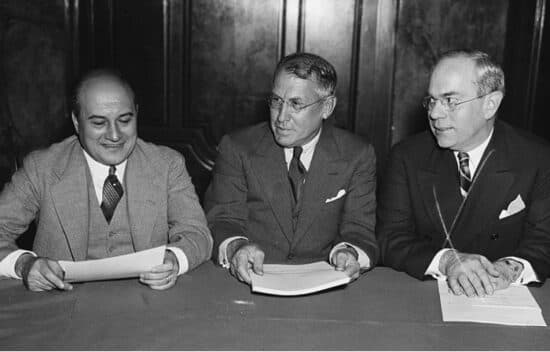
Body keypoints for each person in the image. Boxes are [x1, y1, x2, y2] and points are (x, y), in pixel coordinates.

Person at [0, 69, 212, 291]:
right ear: (76, 122)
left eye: (124, 120)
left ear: (136, 114)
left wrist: (173, 259)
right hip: (63, 307)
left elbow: (197, 233)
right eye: (99, 123)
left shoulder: (167, 165)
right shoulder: (41, 168)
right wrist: (24, 265)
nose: (114, 135)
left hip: (149, 304)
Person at [377, 50, 550, 297]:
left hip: (504, 299)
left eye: (450, 101)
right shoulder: (407, 156)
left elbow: (544, 243)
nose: (435, 114)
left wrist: (507, 269)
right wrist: (447, 260)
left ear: (490, 104)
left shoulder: (538, 158)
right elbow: (389, 238)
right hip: (425, 298)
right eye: (432, 101)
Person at [204, 52, 378, 285]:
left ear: (327, 107)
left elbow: (359, 230)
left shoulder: (357, 155)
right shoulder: (237, 148)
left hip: (325, 287)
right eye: (276, 101)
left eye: (296, 104)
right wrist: (237, 248)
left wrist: (349, 252)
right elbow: (221, 220)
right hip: (249, 281)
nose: (281, 117)